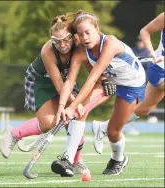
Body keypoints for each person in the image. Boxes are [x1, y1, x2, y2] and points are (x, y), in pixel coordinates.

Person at [51, 10, 146, 176]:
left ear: (97, 29)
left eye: (88, 32)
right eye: (80, 35)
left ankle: (118, 158)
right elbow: (70, 81)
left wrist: (72, 106)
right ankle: (68, 159)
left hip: (132, 84)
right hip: (107, 80)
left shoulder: (110, 43)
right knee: (81, 110)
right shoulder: (81, 51)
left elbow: (92, 78)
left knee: (113, 131)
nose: (85, 38)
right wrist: (64, 105)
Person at [0, 15, 91, 175]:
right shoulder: (47, 51)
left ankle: (75, 160)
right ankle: (14, 134)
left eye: (66, 40)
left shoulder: (80, 43)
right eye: (57, 41)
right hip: (40, 80)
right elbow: (59, 85)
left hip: (66, 80)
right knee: (49, 123)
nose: (62, 45)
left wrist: (74, 105)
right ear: (52, 40)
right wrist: (74, 102)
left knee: (74, 119)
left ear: (72, 35)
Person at [91, 12, 164, 155]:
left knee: (144, 109)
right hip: (160, 69)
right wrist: (152, 53)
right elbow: (145, 31)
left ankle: (104, 127)